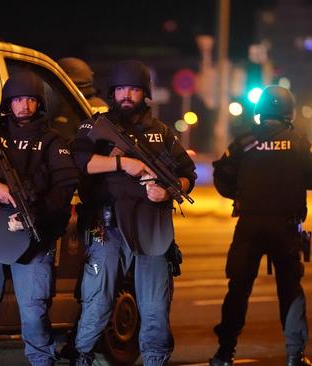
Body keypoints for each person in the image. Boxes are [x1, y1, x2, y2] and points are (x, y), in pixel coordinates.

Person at [70, 60, 196, 366]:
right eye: (121, 89)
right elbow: (80, 161)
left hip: (151, 226)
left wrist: (168, 190)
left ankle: (154, 360)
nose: (127, 95)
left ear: (145, 94)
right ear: (112, 92)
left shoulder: (162, 133)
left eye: (134, 89)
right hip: (106, 224)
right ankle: (81, 356)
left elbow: (187, 176)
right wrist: (122, 163)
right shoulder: (96, 126)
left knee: (153, 308)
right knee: (97, 301)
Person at [0, 72, 78, 366]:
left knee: (34, 312)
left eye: (30, 99)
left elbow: (64, 188)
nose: (23, 105)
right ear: (7, 103)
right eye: (17, 99)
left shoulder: (52, 142)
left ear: (39, 104)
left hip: (33, 235)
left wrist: (38, 215)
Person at [210, 85, 312, 366]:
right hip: (286, 229)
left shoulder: (244, 142)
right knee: (290, 289)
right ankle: (294, 356)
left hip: (249, 227)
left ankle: (224, 354)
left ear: (260, 110)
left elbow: (221, 176)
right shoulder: (300, 142)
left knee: (238, 288)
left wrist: (241, 193)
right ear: (289, 112)